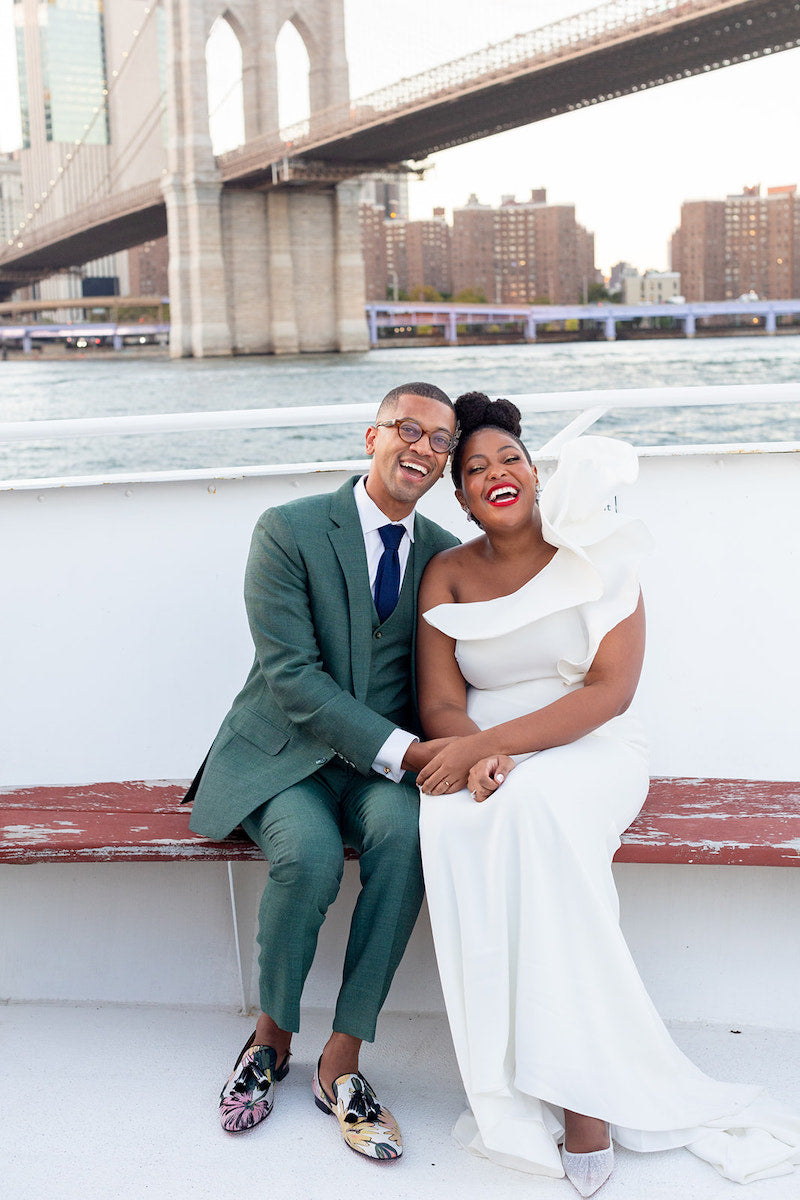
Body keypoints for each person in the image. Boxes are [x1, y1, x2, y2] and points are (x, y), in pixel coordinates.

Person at [414, 392, 800, 1194]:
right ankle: (523, 1072)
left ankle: (584, 1095)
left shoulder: (599, 552)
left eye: (510, 459)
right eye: (477, 469)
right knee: (453, 824)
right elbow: (440, 700)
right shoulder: (445, 574)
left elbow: (610, 691)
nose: (497, 474)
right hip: (485, 756)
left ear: (535, 472)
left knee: (537, 811)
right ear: (461, 498)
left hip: (588, 749)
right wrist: (473, 751)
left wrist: (490, 748)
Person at [185, 382, 460, 1158]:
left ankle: (343, 1059)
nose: (424, 448)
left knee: (407, 843)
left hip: (378, 772)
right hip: (288, 754)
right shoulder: (288, 530)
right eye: (409, 429)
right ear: (370, 436)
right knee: (305, 858)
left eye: (441, 440)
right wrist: (407, 752)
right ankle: (270, 1037)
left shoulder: (443, 552)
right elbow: (293, 678)